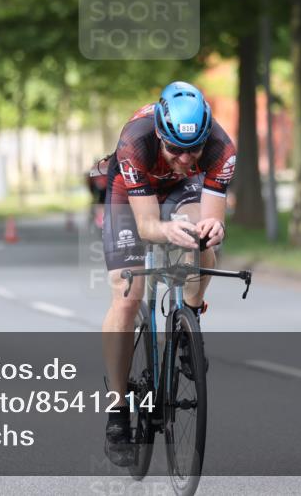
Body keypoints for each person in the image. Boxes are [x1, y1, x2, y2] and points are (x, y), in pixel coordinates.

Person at [100, 81, 236, 466]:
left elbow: (213, 218)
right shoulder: (135, 142)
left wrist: (213, 229)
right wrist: (163, 230)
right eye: (175, 148)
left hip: (182, 192)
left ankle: (189, 315)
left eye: (193, 149)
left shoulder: (220, 148)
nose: (185, 157)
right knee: (128, 293)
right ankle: (117, 408)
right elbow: (146, 226)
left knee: (201, 239)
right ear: (160, 135)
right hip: (131, 195)